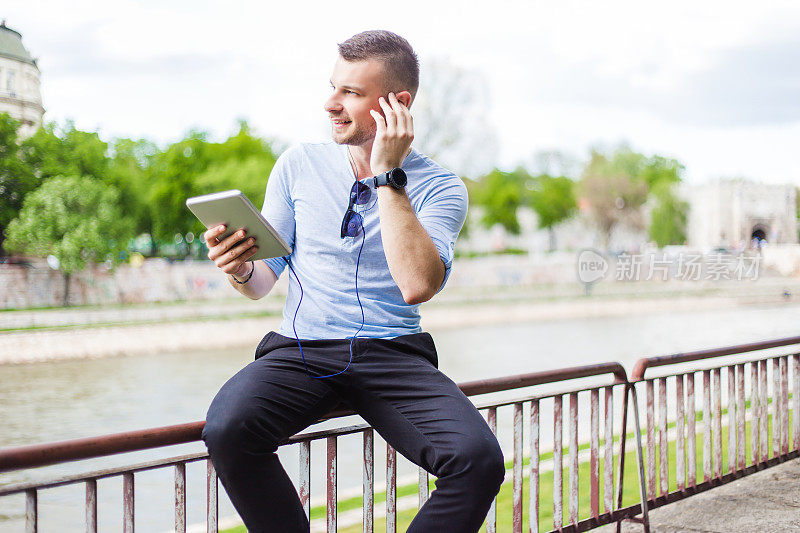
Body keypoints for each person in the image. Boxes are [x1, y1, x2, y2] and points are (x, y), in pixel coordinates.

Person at [200, 30, 504, 532]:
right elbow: (261, 283)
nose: (330, 104)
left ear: (397, 104)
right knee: (228, 429)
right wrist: (237, 267)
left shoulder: (442, 187)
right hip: (301, 349)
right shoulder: (298, 165)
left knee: (478, 460)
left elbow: (417, 285)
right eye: (332, 87)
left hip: (393, 354)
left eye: (351, 93)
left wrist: (387, 176)